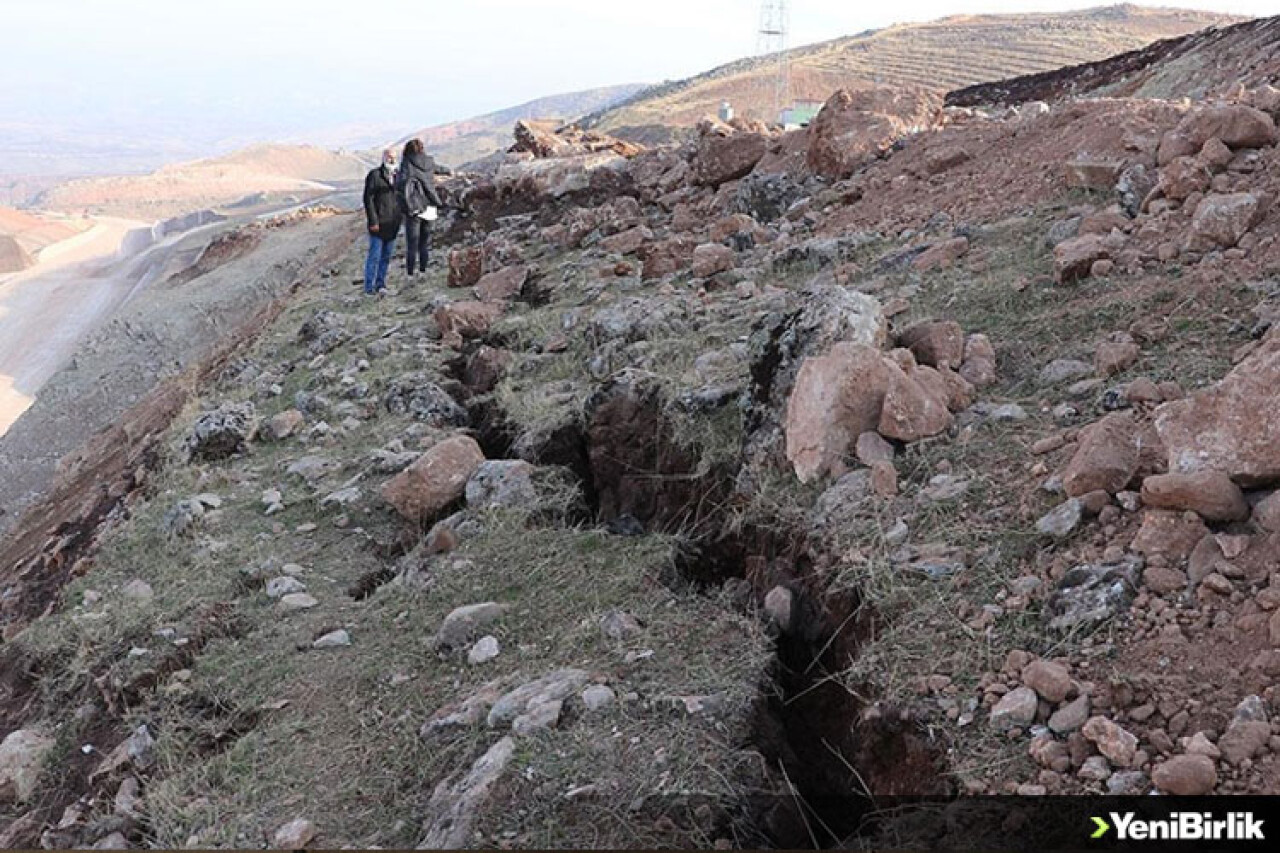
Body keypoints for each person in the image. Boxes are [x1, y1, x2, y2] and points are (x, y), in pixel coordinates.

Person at [395, 138, 444, 278]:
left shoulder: (406, 163)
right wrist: (449, 172)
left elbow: (401, 184)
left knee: (412, 243)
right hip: (430, 206)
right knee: (424, 242)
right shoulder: (429, 161)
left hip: (415, 206)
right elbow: (439, 169)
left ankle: (410, 274)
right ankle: (423, 271)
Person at [362, 149, 402, 295]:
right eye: (389, 157)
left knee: (386, 257)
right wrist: (373, 220)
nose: (392, 160)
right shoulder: (375, 175)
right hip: (378, 224)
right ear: (384, 158)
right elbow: (368, 199)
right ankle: (368, 287)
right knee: (374, 256)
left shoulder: (399, 176)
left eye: (394, 157)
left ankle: (381, 284)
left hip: (392, 225)